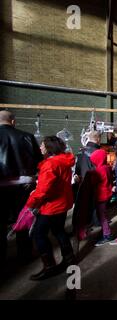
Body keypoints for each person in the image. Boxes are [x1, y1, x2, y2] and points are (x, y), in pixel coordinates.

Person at [25, 136, 75, 281]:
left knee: (38, 234)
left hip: (51, 206)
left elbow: (43, 190)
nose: (40, 148)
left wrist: (31, 203)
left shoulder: (50, 164)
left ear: (49, 147)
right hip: (62, 203)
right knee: (59, 230)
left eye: (42, 145)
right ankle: (69, 258)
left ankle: (49, 267)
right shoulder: (63, 161)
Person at [0, 110, 43, 265]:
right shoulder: (26, 137)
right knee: (23, 220)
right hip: (24, 184)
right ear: (13, 121)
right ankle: (24, 254)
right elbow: (39, 160)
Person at [90, 149, 113, 246]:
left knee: (102, 217)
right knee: (103, 215)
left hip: (101, 196)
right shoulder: (107, 167)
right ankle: (105, 231)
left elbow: (94, 183)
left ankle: (107, 235)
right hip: (107, 194)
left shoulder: (99, 170)